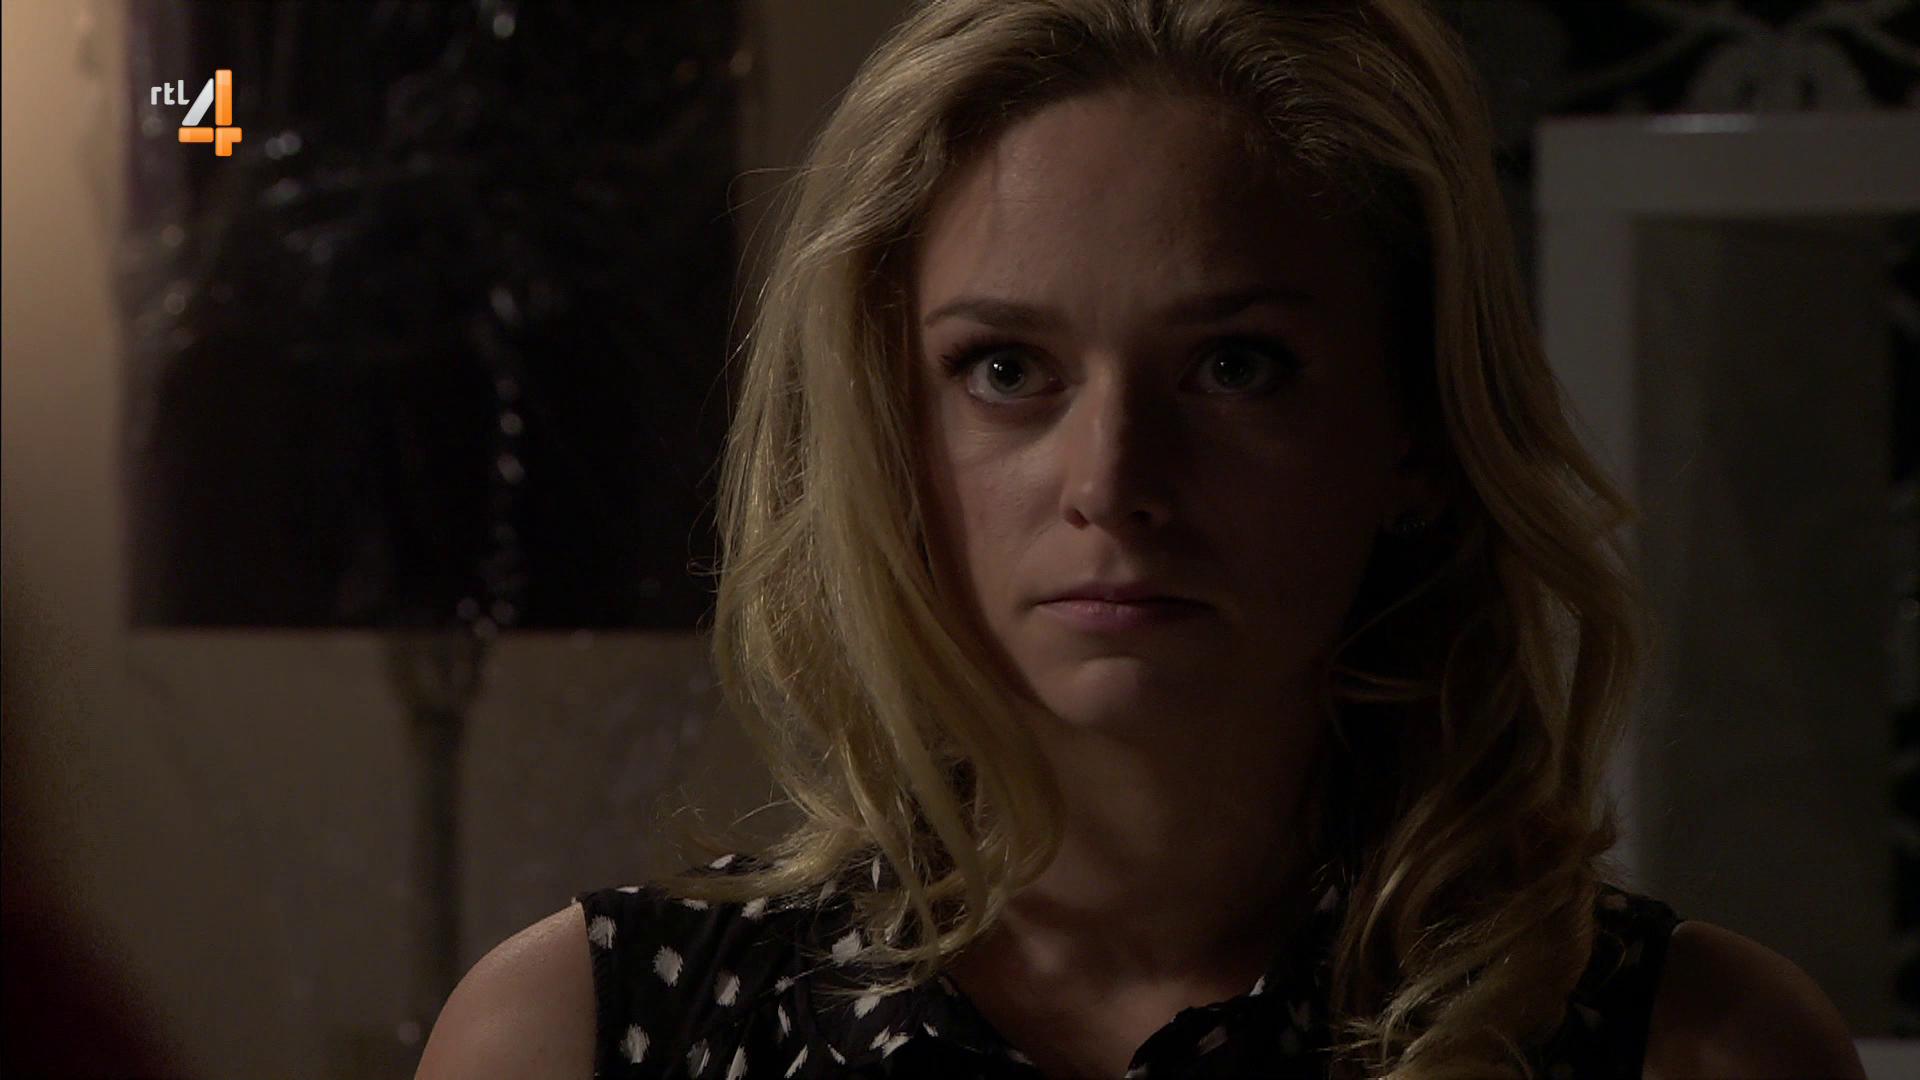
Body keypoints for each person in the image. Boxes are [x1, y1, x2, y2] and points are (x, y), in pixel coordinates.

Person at [417, 1, 1868, 1077]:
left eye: (1235, 366)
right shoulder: (583, 1036)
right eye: (1006, 369)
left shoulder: (1695, 1050)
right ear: (889, 433)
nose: (1112, 480)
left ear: (1417, 434)